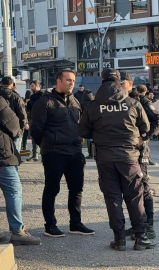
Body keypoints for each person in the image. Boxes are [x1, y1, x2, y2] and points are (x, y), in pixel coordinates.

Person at [79, 68, 154, 251]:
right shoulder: (132, 103)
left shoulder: (94, 105)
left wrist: (98, 134)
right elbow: (145, 126)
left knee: (112, 198)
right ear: (119, 81)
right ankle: (140, 237)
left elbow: (82, 131)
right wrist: (138, 138)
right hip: (129, 157)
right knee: (135, 197)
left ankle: (119, 239)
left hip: (104, 158)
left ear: (102, 80)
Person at [30, 70, 94, 238]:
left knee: (76, 189)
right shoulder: (45, 102)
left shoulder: (74, 101)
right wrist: (47, 146)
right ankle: (50, 225)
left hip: (75, 152)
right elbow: (36, 130)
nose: (71, 83)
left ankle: (75, 224)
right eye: (68, 80)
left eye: (73, 80)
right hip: (54, 153)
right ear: (58, 81)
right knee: (52, 189)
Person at [121, 72, 159, 240]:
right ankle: (137, 224)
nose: (118, 86)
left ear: (129, 84)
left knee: (143, 185)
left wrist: (144, 137)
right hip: (125, 150)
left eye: (121, 83)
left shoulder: (141, 100)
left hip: (140, 150)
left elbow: (158, 119)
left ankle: (149, 226)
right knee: (131, 189)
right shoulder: (120, 100)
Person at [0, 95, 41, 245]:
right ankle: (17, 231)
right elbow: (14, 126)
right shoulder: (1, 101)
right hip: (2, 156)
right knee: (13, 191)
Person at [135, 84, 159, 166]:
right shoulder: (144, 101)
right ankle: (146, 161)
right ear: (144, 92)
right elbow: (158, 118)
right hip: (145, 128)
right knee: (145, 147)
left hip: (136, 129)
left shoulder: (133, 100)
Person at [0, 77, 28, 152]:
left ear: (1, 84)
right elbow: (22, 114)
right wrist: (22, 128)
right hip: (14, 130)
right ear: (12, 86)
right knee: (14, 156)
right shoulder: (16, 97)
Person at [74, 85, 94, 159]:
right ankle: (91, 153)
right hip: (92, 122)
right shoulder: (94, 103)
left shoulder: (81, 102)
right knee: (90, 138)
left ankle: (79, 152)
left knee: (80, 137)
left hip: (82, 120)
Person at [25, 81, 43, 162]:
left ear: (37, 86)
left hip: (40, 118)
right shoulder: (32, 95)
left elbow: (39, 105)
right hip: (33, 117)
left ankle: (42, 155)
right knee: (34, 136)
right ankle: (35, 155)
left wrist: (30, 102)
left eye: (32, 86)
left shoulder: (42, 95)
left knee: (42, 137)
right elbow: (29, 108)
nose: (31, 88)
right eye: (31, 86)